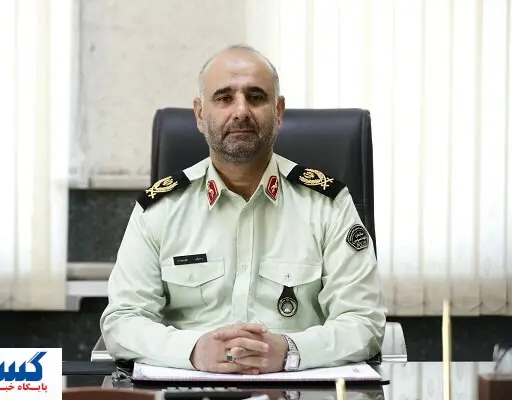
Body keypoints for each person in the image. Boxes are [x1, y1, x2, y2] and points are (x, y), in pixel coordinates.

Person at [100, 44, 387, 374]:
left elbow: (363, 321)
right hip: (188, 385)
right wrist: (193, 350)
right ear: (199, 115)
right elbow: (123, 320)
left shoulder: (327, 205)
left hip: (296, 386)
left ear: (278, 111)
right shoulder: (160, 209)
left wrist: (290, 350)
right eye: (224, 98)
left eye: (255, 97)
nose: (241, 111)